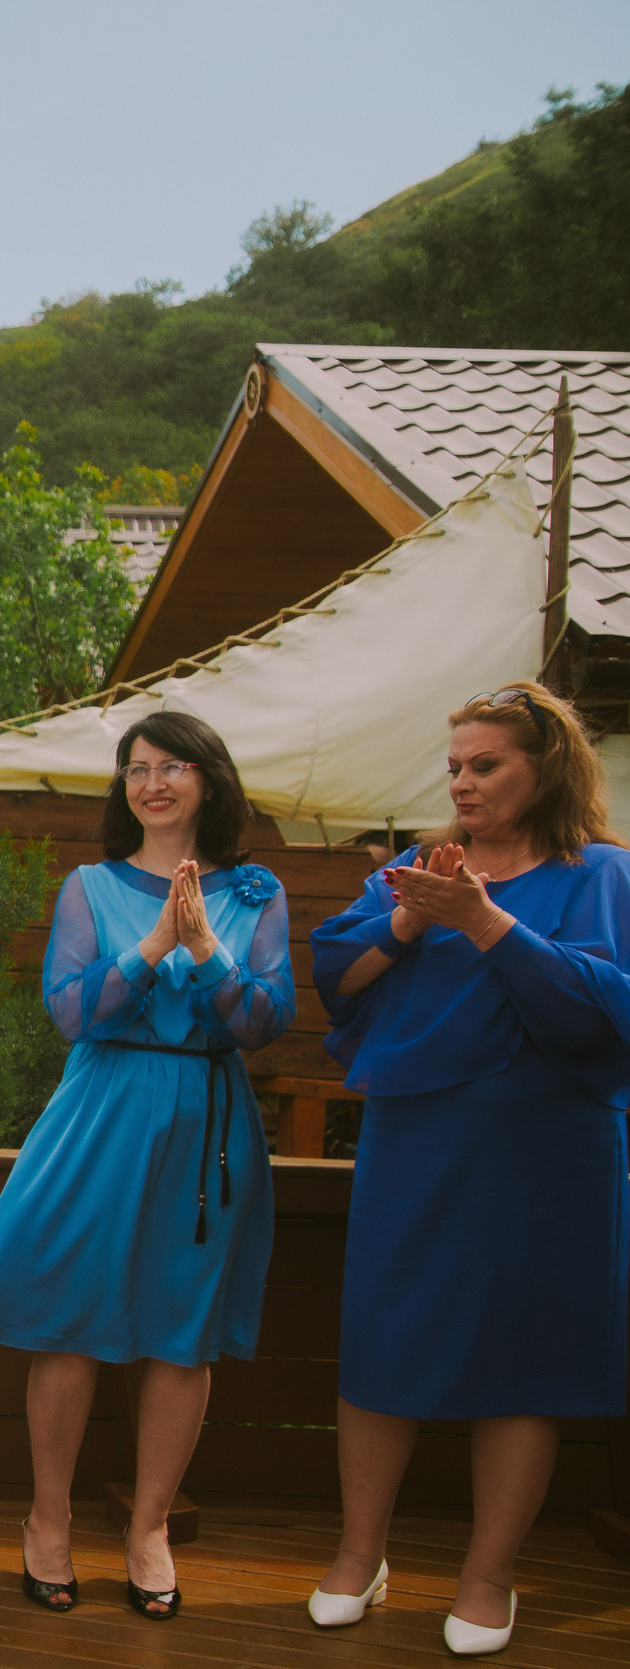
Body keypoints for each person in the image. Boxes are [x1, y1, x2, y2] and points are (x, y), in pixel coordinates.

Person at [308, 681, 630, 1658]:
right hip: (417, 1146)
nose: (464, 782)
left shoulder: (597, 874)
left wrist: (486, 922)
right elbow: (336, 976)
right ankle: (359, 1553)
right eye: (454, 766)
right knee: (380, 1342)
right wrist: (411, 920)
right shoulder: (414, 870)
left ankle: (489, 1576)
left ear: (547, 765)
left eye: (484, 763)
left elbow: (601, 1009)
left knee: (522, 1360)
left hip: (550, 1155)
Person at [0, 711, 294, 1622]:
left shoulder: (257, 892)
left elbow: (266, 1022)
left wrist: (206, 942)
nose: (151, 782)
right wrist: (154, 942)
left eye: (172, 765)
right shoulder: (89, 886)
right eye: (135, 768)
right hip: (104, 1113)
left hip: (206, 1127)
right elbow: (74, 1013)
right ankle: (48, 1519)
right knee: (72, 1318)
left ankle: (149, 1530)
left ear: (208, 780)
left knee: (180, 1331)